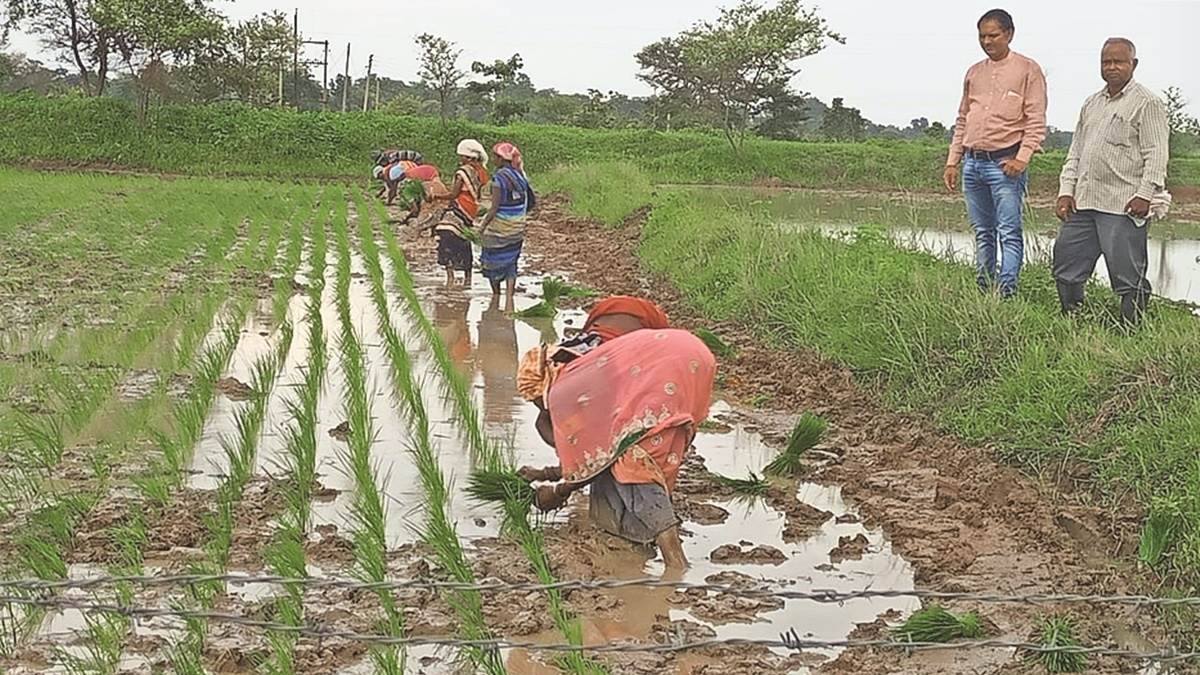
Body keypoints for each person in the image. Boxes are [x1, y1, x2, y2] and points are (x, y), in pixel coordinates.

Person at [516, 297, 712, 570]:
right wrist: (546, 474)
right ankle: (632, 535)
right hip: (686, 353)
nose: (540, 407)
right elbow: (591, 454)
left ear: (544, 388)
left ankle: (675, 563)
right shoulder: (576, 361)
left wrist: (558, 492)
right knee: (641, 450)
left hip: (664, 368)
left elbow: (598, 455)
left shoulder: (569, 392)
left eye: (537, 401)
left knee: (634, 460)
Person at [1053, 38, 1170, 326]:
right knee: (1066, 264)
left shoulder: (1147, 103)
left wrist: (1145, 194)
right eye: (1106, 62)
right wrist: (1066, 191)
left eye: (1119, 61)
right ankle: (1073, 320)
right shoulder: (1092, 103)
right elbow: (1076, 151)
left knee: (1127, 274)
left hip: (1123, 204)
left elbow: (1156, 154)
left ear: (1134, 64)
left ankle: (1132, 330)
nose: (1112, 67)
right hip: (1084, 202)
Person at [944, 9, 1047, 298]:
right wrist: (953, 160)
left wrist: (1022, 159)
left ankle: (1006, 292)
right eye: (982, 36)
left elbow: (1036, 120)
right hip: (973, 163)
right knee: (983, 232)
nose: (987, 41)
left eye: (993, 35)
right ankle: (983, 287)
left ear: (1009, 34)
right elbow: (963, 118)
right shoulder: (974, 72)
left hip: (1005, 164)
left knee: (1009, 233)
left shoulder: (1028, 70)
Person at [477, 142, 535, 308]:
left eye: (495, 156)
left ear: (501, 159)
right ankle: (509, 300)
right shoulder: (520, 176)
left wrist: (482, 227)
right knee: (511, 262)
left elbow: (494, 208)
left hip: (499, 227)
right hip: (516, 226)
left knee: (491, 259)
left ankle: (496, 296)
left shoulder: (499, 178)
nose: (493, 159)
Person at [432, 139, 489, 287]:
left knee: (445, 232)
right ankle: (467, 275)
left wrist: (435, 196)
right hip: (471, 210)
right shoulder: (482, 171)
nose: (460, 159)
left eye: (462, 157)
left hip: (460, 207)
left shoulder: (462, 173)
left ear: (469, 157)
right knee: (463, 237)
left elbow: (453, 194)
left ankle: (450, 274)